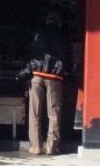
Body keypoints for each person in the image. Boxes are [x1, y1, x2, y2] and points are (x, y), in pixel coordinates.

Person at [20, 9, 72, 156]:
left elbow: (30, 52)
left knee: (34, 112)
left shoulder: (38, 33)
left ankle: (36, 146)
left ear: (47, 20)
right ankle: (51, 147)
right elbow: (68, 57)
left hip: (36, 75)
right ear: (59, 22)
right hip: (54, 76)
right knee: (54, 112)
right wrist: (67, 71)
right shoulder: (63, 35)